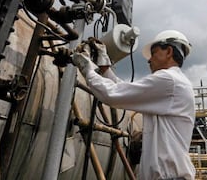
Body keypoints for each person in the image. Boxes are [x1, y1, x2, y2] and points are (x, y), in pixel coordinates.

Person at [72, 30, 196, 180]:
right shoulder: (173, 83)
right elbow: (125, 91)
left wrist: (87, 69)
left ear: (169, 51)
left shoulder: (169, 80)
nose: (149, 60)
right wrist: (105, 69)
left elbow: (113, 94)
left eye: (153, 53)